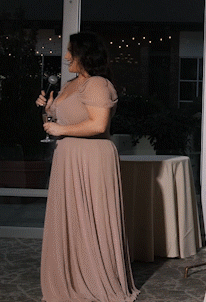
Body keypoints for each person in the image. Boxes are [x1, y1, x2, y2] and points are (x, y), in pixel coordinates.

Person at [35, 32, 138, 302]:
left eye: (71, 51)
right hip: (68, 159)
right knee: (71, 219)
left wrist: (60, 128)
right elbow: (57, 120)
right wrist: (47, 110)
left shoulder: (97, 84)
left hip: (92, 158)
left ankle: (95, 278)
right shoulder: (70, 84)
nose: (66, 56)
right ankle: (71, 275)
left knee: (92, 218)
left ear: (84, 55)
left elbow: (98, 124)